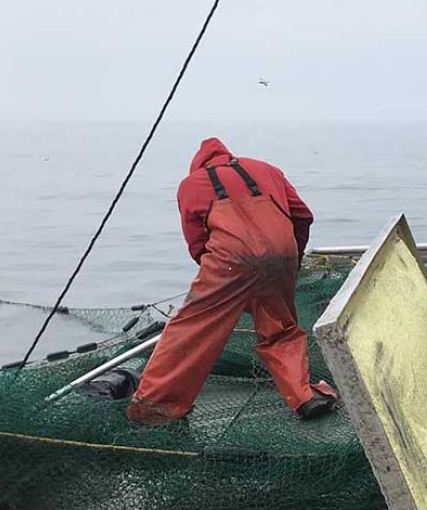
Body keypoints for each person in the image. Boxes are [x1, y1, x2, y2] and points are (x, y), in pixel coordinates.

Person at [126, 137, 337, 425]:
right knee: (281, 329)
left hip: (231, 260)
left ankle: (155, 408)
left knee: (193, 328)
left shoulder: (191, 185)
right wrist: (290, 260)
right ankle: (305, 397)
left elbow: (197, 242)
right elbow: (302, 215)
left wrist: (224, 279)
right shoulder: (267, 170)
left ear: (198, 165)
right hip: (282, 251)